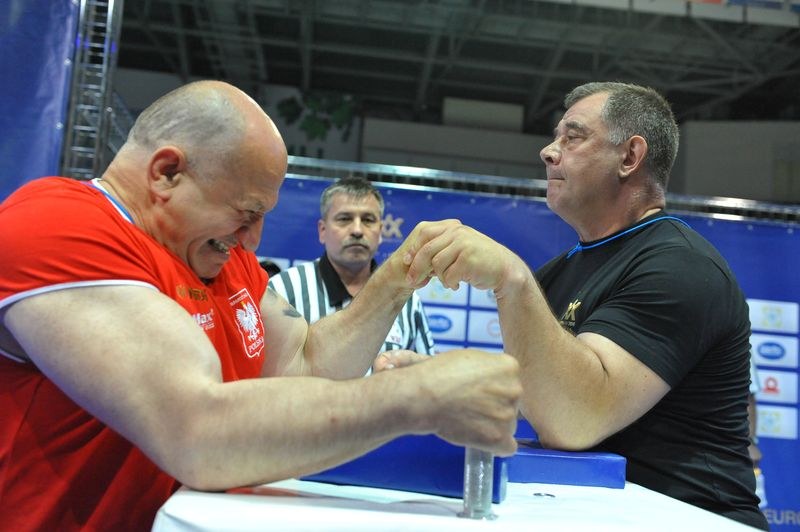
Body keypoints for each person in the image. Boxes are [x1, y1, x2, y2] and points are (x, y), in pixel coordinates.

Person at [0, 80, 521, 531]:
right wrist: (419, 395)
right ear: (166, 173)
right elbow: (196, 432)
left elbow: (310, 364)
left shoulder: (220, 259)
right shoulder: (59, 226)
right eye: (246, 212)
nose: (252, 240)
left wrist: (400, 276)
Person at [390, 82, 768, 529]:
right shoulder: (559, 271)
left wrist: (511, 278)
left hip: (693, 518)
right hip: (606, 513)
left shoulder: (682, 266)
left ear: (630, 157)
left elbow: (575, 421)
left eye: (573, 136)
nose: (549, 152)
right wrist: (443, 382)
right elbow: (538, 396)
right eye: (555, 137)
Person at [269, 177, 435, 368]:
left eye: (368, 220)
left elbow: (427, 371)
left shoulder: (406, 299)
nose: (357, 230)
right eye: (344, 219)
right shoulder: (283, 291)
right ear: (322, 230)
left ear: (380, 232)